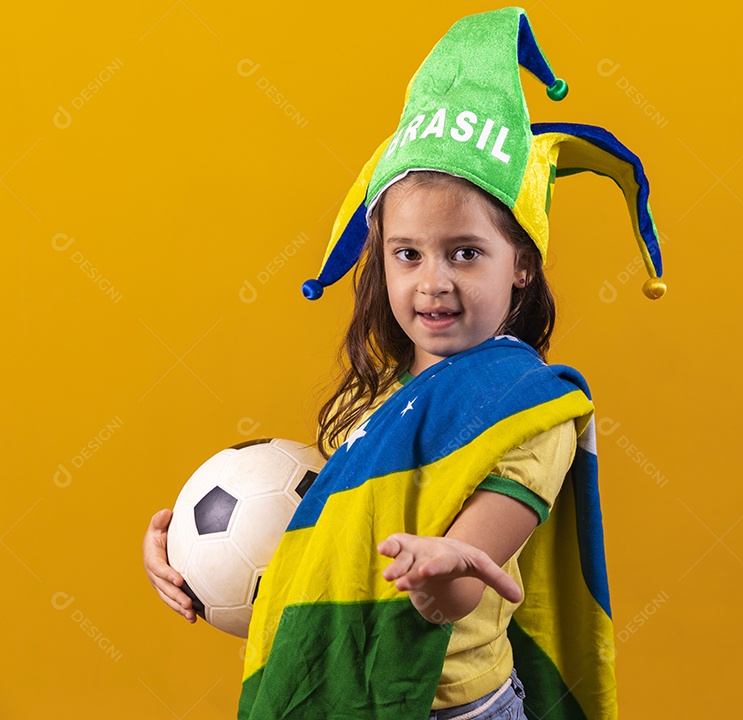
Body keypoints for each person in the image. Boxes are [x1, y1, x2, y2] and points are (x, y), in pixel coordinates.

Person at [143, 8, 666, 719]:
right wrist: (192, 560)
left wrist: (438, 573)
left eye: (465, 252)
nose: (434, 281)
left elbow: (461, 589)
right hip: (354, 695)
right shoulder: (372, 400)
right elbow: (322, 555)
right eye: (408, 254)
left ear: (521, 264)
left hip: (456, 708)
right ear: (380, 258)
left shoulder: (528, 412)